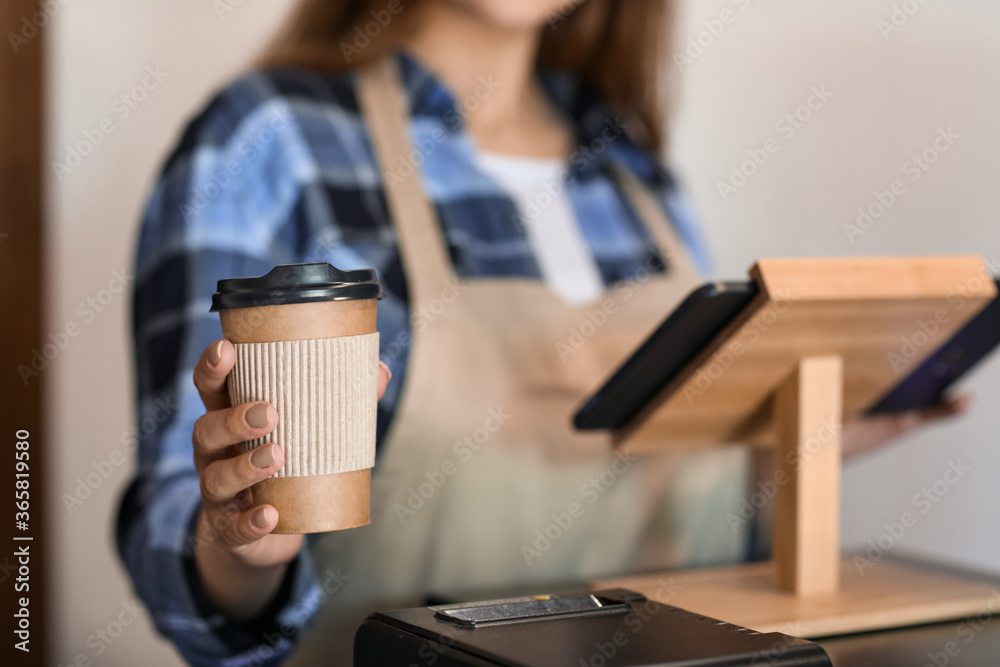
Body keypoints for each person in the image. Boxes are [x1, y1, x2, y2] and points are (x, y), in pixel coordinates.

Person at [117, 1, 966, 665]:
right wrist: (238, 546)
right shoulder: (264, 144)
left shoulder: (633, 169)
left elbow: (665, 494)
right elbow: (178, 529)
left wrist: (782, 437)